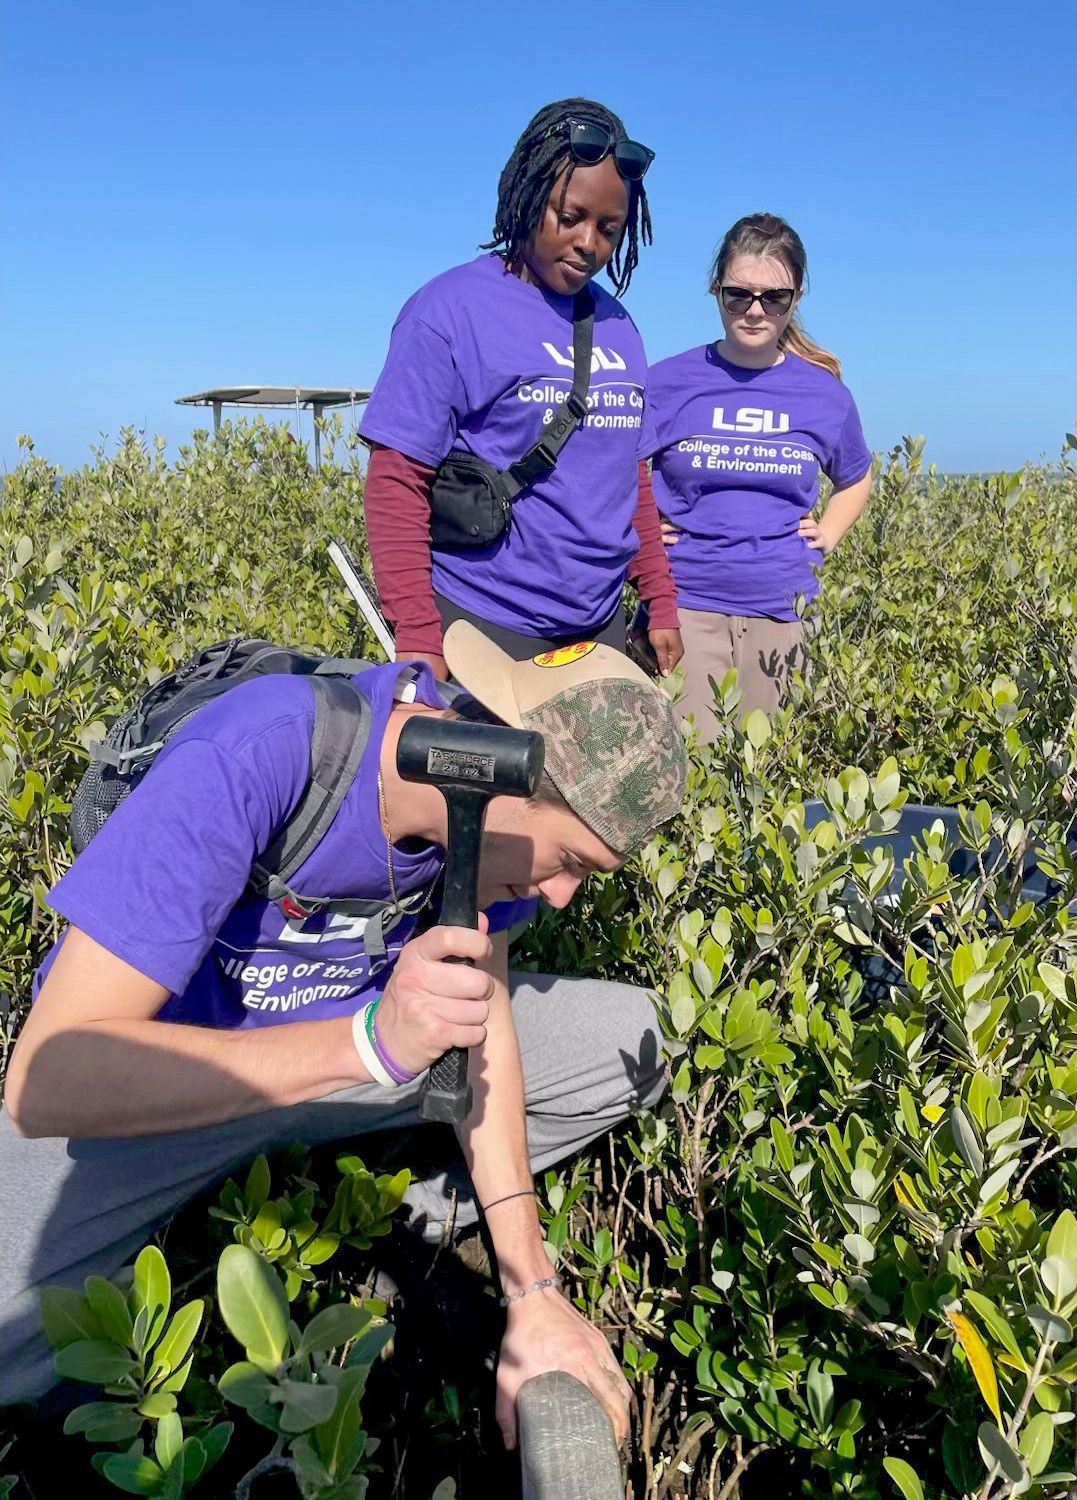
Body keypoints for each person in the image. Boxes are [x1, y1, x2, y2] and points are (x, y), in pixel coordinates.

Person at [0, 624, 687, 1453]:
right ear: (504, 770)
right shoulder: (264, 748)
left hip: (372, 1056)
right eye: (571, 858)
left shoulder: (485, 833)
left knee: (638, 1037)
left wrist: (533, 1290)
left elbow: (485, 1028)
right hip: (182, 1084)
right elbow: (46, 1079)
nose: (566, 897)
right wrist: (366, 1045)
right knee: (9, 1341)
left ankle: (375, 1206)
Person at [359, 97, 683, 678]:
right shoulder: (448, 311)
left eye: (610, 229)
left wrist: (659, 598)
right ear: (528, 197)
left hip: (598, 635)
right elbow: (397, 480)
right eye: (570, 216)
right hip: (479, 631)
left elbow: (630, 478)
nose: (590, 243)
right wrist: (417, 638)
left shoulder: (619, 327)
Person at [643, 213, 873, 741]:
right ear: (715, 291)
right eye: (738, 294)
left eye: (774, 297)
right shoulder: (668, 382)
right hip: (685, 605)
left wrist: (830, 534)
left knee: (769, 775)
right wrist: (641, 532)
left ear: (795, 299)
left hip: (783, 611)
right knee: (688, 775)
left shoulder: (823, 394)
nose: (754, 310)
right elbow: (612, 468)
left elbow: (855, 476)